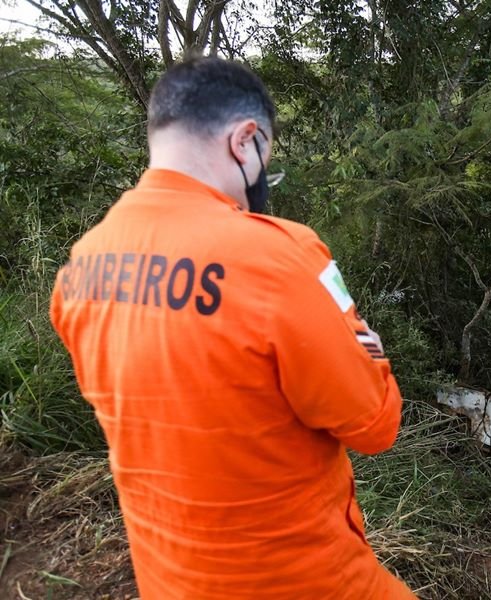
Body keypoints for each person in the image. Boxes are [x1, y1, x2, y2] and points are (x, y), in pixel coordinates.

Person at [49, 56, 416, 599]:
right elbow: (373, 427)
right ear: (245, 140)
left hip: (167, 580)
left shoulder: (80, 266)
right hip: (301, 579)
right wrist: (374, 357)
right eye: (265, 153)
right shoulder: (280, 256)